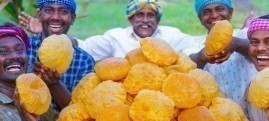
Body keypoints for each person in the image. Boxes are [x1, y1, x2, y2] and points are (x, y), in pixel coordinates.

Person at [19, 0, 192, 62]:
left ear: (158, 20)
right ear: (130, 19)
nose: (145, 20)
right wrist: (49, 32)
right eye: (139, 15)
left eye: (150, 16)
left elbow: (193, 48)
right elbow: (83, 46)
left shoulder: (172, 35)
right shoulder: (116, 36)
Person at [0, 23, 57, 121]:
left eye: (20, 50)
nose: (14, 56)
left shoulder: (32, 97)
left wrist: (55, 85)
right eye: (3, 52)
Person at [28, 0, 95, 110]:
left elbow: (80, 111)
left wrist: (55, 85)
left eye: (63, 12)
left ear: (72, 18)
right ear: (39, 15)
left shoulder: (84, 60)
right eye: (49, 10)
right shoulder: (23, 49)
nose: (55, 17)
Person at [188, 0, 257, 103]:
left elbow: (259, 50)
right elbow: (188, 65)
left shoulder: (243, 34)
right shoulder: (195, 43)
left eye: (219, 9)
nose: (214, 15)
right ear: (200, 18)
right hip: (217, 113)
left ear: (231, 12)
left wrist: (235, 43)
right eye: (207, 12)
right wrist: (202, 56)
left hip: (252, 109)